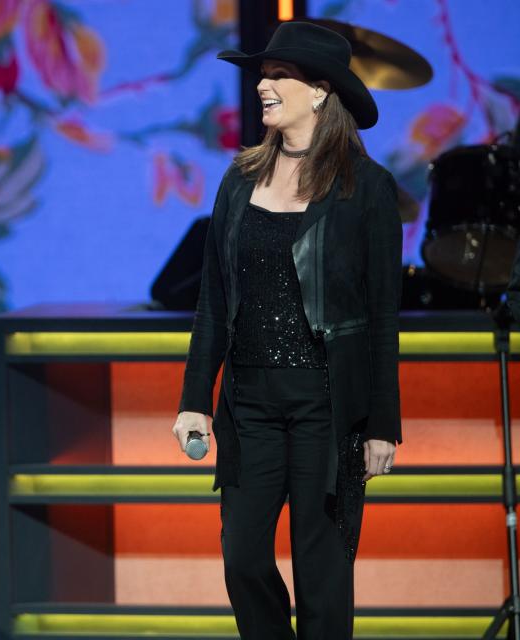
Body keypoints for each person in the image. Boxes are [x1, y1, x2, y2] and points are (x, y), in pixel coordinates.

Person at [170, 22, 401, 639]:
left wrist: (383, 423)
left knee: (322, 572)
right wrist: (195, 401)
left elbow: (383, 317)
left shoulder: (367, 188)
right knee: (243, 558)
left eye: (279, 77)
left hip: (327, 406)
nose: (263, 88)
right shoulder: (239, 179)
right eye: (262, 77)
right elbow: (213, 301)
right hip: (250, 405)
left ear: (322, 92)